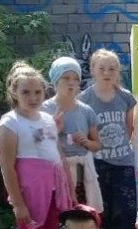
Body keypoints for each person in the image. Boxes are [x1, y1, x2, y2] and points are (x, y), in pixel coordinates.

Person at [0, 60, 75, 229]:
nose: (33, 98)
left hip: (52, 189)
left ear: (44, 92)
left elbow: (58, 153)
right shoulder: (10, 123)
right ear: (14, 93)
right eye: (26, 92)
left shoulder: (48, 119)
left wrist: (68, 187)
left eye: (37, 92)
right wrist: (18, 203)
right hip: (31, 191)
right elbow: (7, 167)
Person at [78, 49, 138, 229]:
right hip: (98, 162)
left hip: (123, 162)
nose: (107, 72)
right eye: (102, 68)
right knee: (102, 209)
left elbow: (129, 127)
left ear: (117, 71)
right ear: (93, 70)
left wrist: (120, 146)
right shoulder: (85, 98)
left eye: (112, 68)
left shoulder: (125, 97)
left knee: (128, 209)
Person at [41, 56, 102, 211]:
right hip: (55, 172)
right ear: (55, 80)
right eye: (66, 78)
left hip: (82, 173)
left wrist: (85, 142)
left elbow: (97, 145)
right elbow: (36, 141)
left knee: (81, 214)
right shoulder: (44, 110)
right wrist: (55, 132)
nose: (71, 83)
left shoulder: (86, 111)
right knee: (60, 214)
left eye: (75, 79)